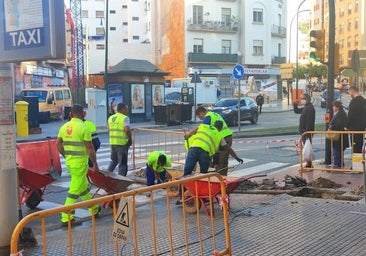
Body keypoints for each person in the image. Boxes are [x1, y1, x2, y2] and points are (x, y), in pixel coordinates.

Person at [177, 121, 243, 205]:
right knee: (203, 176)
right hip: (205, 154)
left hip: (193, 150)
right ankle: (203, 197)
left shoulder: (203, 126)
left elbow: (188, 135)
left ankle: (181, 197)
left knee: (186, 174)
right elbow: (228, 149)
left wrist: (186, 133)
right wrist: (237, 158)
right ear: (220, 129)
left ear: (213, 125)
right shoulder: (219, 135)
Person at [56, 104, 101, 226]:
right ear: (83, 114)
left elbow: (58, 144)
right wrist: (95, 164)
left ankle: (94, 209)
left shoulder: (64, 127)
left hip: (70, 163)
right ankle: (66, 217)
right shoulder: (84, 127)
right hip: (80, 163)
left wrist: (66, 155)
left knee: (83, 189)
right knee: (75, 190)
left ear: (70, 114)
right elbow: (90, 148)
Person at [193, 106, 233, 175]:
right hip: (228, 137)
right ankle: (223, 178)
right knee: (223, 161)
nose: (200, 118)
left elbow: (201, 128)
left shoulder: (208, 117)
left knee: (220, 161)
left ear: (201, 112)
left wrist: (190, 133)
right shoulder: (214, 114)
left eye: (199, 116)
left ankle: (219, 180)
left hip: (222, 138)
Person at [107, 103, 132, 176]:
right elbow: (127, 130)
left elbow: (109, 130)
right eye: (126, 109)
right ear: (123, 109)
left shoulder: (110, 118)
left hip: (113, 143)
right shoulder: (125, 118)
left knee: (114, 161)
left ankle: (107, 175)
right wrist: (130, 139)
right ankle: (121, 180)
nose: (127, 110)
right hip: (122, 144)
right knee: (122, 164)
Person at [293, 93, 315, 168]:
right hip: (304, 132)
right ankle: (308, 163)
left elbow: (309, 121)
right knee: (306, 148)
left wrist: (306, 132)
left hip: (307, 132)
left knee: (308, 148)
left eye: (303, 99)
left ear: (307, 99)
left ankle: (309, 164)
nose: (301, 100)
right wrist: (295, 105)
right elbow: (297, 111)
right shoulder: (306, 107)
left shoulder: (310, 108)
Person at [345, 85, 366, 153]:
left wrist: (347, 126)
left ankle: (356, 163)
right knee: (360, 146)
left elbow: (350, 115)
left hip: (354, 128)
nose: (349, 94)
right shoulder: (364, 101)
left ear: (352, 91)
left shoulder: (353, 102)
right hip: (362, 128)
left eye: (349, 92)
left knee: (355, 148)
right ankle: (360, 162)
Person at [328, 100, 349, 167]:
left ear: (337, 107)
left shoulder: (341, 114)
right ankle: (339, 164)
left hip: (339, 137)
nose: (333, 108)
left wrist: (332, 126)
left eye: (333, 106)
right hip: (339, 137)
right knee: (337, 151)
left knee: (337, 151)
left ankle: (337, 164)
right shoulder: (340, 113)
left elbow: (340, 124)